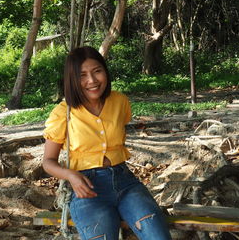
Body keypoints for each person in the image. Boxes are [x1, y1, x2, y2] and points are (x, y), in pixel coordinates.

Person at [42, 46, 172, 240]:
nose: (92, 81)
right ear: (71, 79)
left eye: (97, 71)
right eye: (82, 75)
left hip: (126, 183)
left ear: (105, 71)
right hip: (87, 188)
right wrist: (70, 175)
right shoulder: (63, 113)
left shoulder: (119, 101)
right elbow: (48, 162)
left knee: (158, 236)